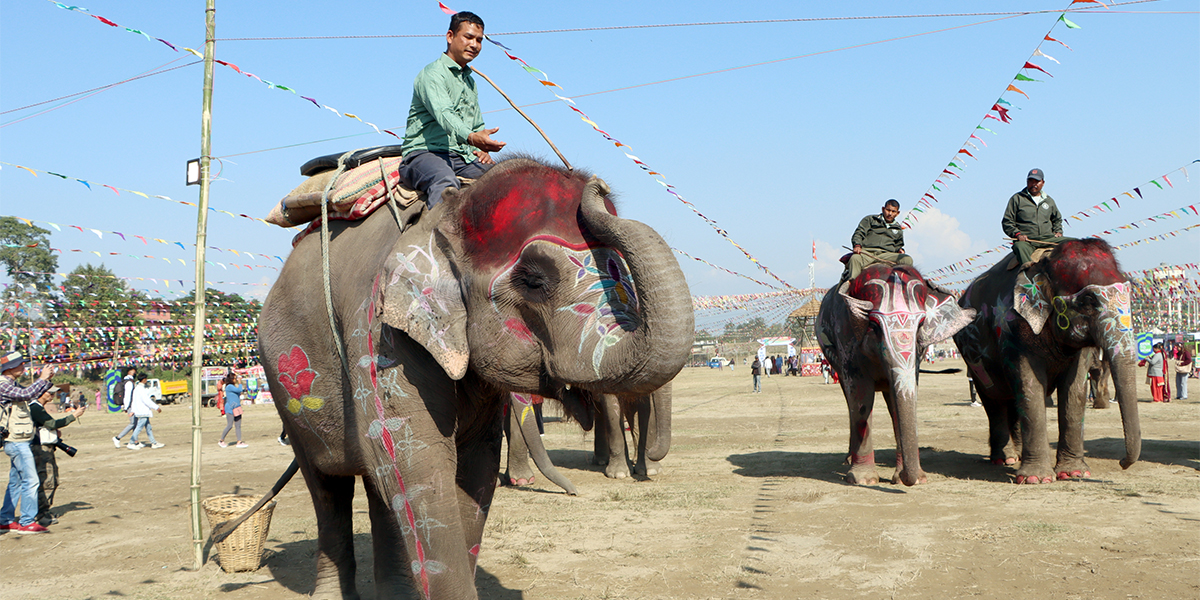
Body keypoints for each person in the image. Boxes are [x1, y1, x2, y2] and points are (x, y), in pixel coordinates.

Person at [399, 11, 505, 209]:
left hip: (462, 157)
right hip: (424, 154)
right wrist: (473, 138)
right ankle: (436, 239)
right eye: (468, 37)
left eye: (479, 40)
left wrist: (481, 148)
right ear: (450, 37)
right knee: (445, 182)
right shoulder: (432, 74)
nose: (474, 45)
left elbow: (476, 124)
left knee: (504, 180)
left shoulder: (470, 81)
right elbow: (445, 115)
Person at [0, 351, 55, 534]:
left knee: (15, 482)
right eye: (20, 364)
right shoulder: (3, 385)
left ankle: (5, 519)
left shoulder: (11, 384)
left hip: (18, 440)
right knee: (31, 480)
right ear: (9, 368)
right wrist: (41, 379)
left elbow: (30, 395)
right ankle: (27, 521)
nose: (24, 367)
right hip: (16, 441)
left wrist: (46, 381)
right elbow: (25, 394)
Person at [30, 386, 85, 526]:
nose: (53, 395)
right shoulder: (35, 407)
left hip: (45, 447)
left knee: (51, 478)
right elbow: (52, 423)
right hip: (40, 448)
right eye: (50, 392)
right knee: (47, 479)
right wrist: (74, 415)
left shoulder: (38, 407)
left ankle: (42, 511)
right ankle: (42, 514)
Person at [1001, 168, 1075, 270]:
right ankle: (1029, 275)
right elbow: (1007, 221)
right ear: (1027, 182)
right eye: (1031, 181)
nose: (1034, 184)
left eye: (1037, 181)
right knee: (1019, 247)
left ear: (1043, 183)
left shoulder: (1049, 201)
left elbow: (1057, 219)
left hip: (1048, 238)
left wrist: (1058, 231)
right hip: (1028, 240)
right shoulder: (1017, 198)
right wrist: (1017, 234)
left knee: (1077, 243)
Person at [846, 199, 914, 280]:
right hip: (867, 253)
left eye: (893, 211)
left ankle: (906, 285)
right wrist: (857, 245)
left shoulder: (898, 229)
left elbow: (898, 245)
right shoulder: (870, 219)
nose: (890, 213)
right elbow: (859, 233)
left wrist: (900, 250)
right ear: (883, 209)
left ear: (897, 213)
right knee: (855, 258)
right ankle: (851, 285)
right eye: (888, 210)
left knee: (907, 259)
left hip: (886, 256)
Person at [128, 374, 164, 449]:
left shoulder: (137, 389)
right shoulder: (141, 389)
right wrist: (156, 407)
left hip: (141, 411)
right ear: (144, 379)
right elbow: (147, 400)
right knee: (139, 428)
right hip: (143, 411)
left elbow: (134, 401)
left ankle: (153, 443)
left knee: (148, 427)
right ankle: (131, 443)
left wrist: (133, 410)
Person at [110, 367, 139, 448]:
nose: (135, 374)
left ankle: (136, 441)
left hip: (131, 405)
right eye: (133, 372)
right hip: (130, 406)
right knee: (132, 423)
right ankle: (118, 438)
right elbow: (127, 396)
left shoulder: (128, 381)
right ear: (130, 372)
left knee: (135, 424)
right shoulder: (129, 383)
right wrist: (126, 407)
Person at [219, 371, 248, 448]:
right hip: (231, 408)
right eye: (235, 378)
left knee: (238, 425)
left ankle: (239, 441)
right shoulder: (229, 387)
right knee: (229, 425)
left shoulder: (234, 387)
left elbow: (238, 392)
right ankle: (221, 440)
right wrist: (240, 382)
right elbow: (239, 390)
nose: (236, 380)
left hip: (237, 407)